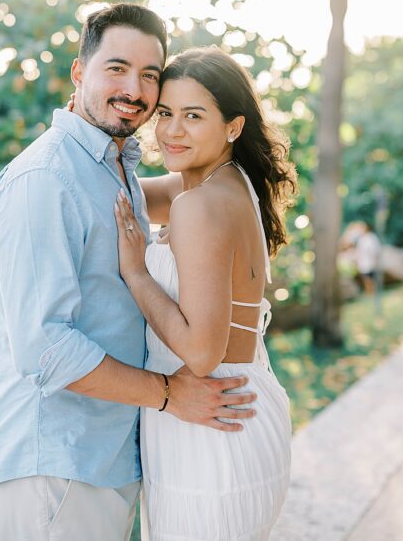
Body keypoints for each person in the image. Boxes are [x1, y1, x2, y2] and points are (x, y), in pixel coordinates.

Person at [0, 4, 258, 541]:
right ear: (78, 72)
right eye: (117, 68)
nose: (134, 89)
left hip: (106, 454)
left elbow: (203, 191)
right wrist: (169, 394)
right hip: (56, 460)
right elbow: (45, 349)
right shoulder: (44, 178)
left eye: (149, 75)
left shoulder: (113, 170)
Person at [115, 46, 296, 539]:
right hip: (236, 408)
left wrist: (137, 273)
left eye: (193, 116)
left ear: (233, 126)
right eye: (165, 113)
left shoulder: (199, 204)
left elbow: (200, 353)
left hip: (210, 423)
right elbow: (117, 191)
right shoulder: (224, 185)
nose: (172, 131)